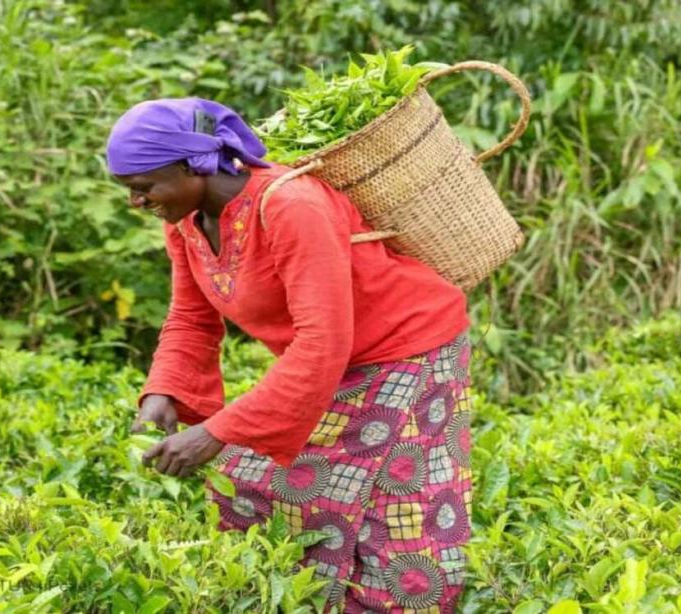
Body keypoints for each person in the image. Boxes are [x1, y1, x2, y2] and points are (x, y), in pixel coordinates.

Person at [106, 97, 474, 613]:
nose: (135, 202)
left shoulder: (292, 205)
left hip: (409, 347)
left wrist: (215, 432)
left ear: (193, 166)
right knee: (249, 484)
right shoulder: (186, 223)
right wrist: (161, 394)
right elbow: (191, 318)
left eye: (144, 187)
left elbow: (322, 341)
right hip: (340, 358)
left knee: (397, 511)